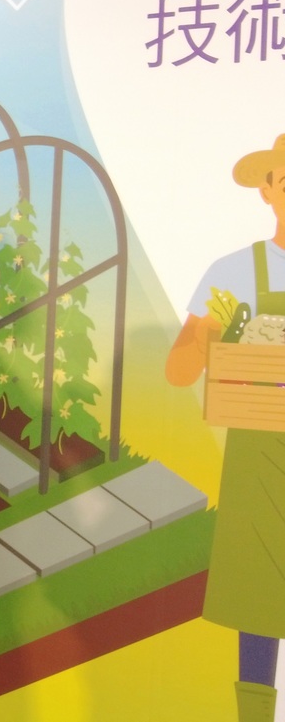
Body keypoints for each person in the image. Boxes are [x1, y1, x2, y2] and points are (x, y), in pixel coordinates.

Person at [166, 134, 285, 722]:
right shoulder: (236, 273)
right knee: (259, 603)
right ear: (267, 191)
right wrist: (212, 334)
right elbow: (179, 367)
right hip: (260, 464)